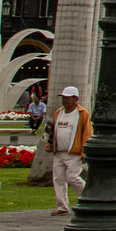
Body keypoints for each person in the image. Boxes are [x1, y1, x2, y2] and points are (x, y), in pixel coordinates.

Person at [47, 87, 91, 216]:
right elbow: (51, 130)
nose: (64, 100)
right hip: (59, 152)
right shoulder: (59, 112)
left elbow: (87, 133)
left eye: (67, 98)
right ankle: (62, 206)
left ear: (75, 98)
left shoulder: (82, 113)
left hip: (74, 153)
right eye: (63, 98)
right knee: (58, 179)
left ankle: (88, 199)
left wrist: (84, 151)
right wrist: (49, 143)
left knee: (72, 177)